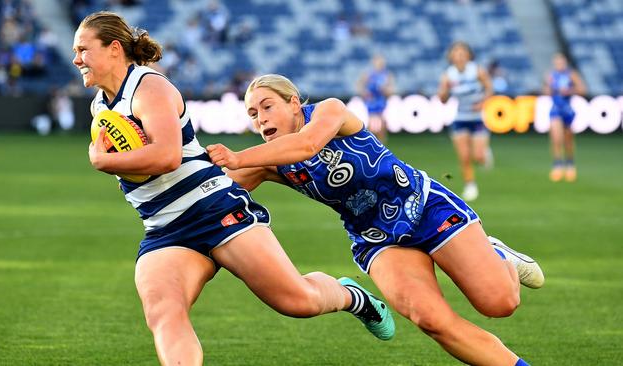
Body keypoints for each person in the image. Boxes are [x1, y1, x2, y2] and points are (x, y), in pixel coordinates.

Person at [74, 12, 394, 365]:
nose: (76, 59)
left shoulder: (149, 87)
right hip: (164, 228)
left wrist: (105, 162)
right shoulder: (100, 106)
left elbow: (166, 156)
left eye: (83, 49)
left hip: (214, 208)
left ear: (114, 49)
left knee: (297, 301)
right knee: (164, 313)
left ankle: (353, 297)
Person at [207, 74, 545, 366]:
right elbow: (215, 190)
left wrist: (236, 157)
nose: (260, 118)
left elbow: (307, 144)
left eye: (267, 106)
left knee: (500, 303)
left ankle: (498, 254)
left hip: (424, 206)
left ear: (294, 103)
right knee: (431, 320)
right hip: (376, 239)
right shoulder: (267, 161)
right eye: (253, 113)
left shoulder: (330, 111)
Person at [437, 41, 493, 202]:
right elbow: (443, 100)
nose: (459, 56)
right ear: (451, 56)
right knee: (464, 156)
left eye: (462, 53)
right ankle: (470, 185)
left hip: (477, 119)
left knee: (478, 157)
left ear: (468, 55)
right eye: (456, 53)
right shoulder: (448, 75)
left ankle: (484, 154)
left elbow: (489, 88)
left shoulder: (477, 71)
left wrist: (483, 102)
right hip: (460, 118)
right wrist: (444, 91)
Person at [543, 53, 586, 182]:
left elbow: (582, 89)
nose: (559, 64)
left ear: (565, 62)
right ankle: (557, 165)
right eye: (557, 62)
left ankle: (570, 163)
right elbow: (545, 91)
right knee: (556, 138)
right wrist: (551, 88)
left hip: (567, 109)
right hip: (556, 108)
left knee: (568, 140)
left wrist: (569, 91)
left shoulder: (571, 74)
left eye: (561, 62)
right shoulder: (551, 75)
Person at [357, 54, 393, 143]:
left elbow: (390, 89)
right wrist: (364, 93)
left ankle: (381, 142)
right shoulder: (369, 74)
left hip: (380, 99)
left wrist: (385, 91)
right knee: (371, 120)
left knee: (382, 120)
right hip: (372, 100)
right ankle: (370, 140)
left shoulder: (386, 75)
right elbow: (360, 84)